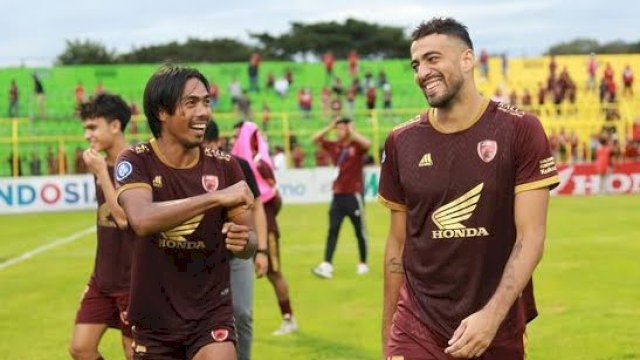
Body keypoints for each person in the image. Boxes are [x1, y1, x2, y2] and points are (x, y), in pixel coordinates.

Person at [379, 18, 559, 360]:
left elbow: (531, 237)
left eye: (433, 59)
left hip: (497, 323)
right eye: (416, 64)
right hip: (416, 325)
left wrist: (491, 318)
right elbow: (397, 244)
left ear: (467, 59)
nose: (422, 72)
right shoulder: (401, 141)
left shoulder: (520, 129)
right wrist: (389, 337)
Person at [115, 65, 256, 360]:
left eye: (206, 101)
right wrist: (215, 197)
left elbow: (249, 244)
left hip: (210, 315)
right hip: (154, 320)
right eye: (191, 103)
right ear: (162, 112)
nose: (203, 112)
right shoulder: (136, 161)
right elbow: (141, 220)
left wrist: (245, 243)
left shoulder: (226, 165)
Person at [69, 93, 134, 360]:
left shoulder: (137, 164)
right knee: (81, 348)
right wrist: (95, 276)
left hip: (135, 281)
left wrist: (103, 175)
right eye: (86, 128)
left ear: (115, 126)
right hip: (103, 281)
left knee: (134, 354)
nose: (87, 135)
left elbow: (124, 219)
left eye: (93, 127)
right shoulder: (101, 164)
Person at [203, 120, 269, 360]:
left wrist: (261, 250)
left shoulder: (238, 166)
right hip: (201, 259)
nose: (205, 151)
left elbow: (258, 207)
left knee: (242, 314)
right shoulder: (188, 170)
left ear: (218, 142)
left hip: (237, 256)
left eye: (208, 144)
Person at [231, 121, 298, 336]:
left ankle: (288, 318)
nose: (234, 140)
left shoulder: (259, 164)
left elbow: (275, 196)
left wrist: (269, 221)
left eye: (237, 136)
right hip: (255, 226)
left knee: (274, 273)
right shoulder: (241, 164)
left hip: (266, 228)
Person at [311, 117, 371, 279]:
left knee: (359, 231)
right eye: (337, 129)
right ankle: (327, 264)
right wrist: (329, 127)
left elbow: (368, 144)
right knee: (332, 230)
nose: (339, 131)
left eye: (341, 128)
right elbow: (315, 139)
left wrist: (352, 131)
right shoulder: (334, 146)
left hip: (353, 195)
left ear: (349, 129)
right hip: (337, 196)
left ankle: (363, 263)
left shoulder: (356, 146)